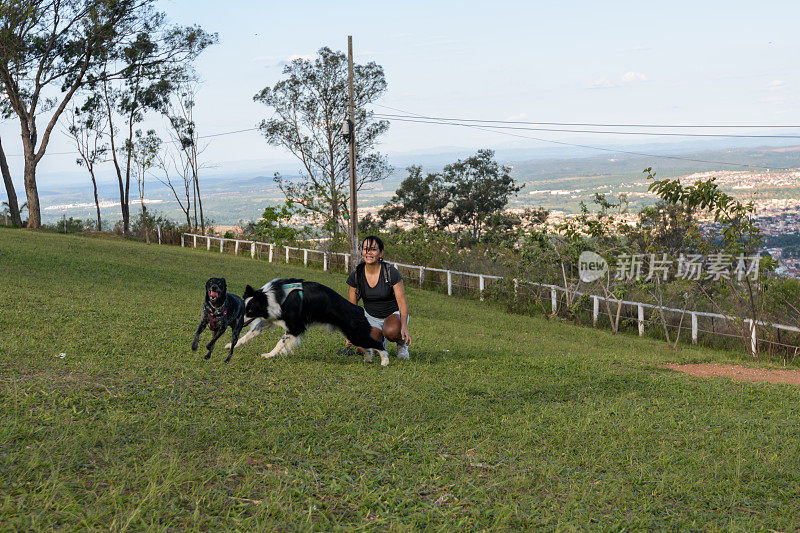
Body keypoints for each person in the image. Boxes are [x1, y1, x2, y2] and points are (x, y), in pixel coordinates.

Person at [346, 235, 412, 359]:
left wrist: (404, 327)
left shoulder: (391, 272)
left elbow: (402, 302)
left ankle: (402, 344)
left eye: (373, 249)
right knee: (362, 347)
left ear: (380, 253)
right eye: (366, 249)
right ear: (362, 252)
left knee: (392, 331)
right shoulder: (356, 275)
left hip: (393, 315)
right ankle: (380, 340)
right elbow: (352, 307)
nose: (369, 252)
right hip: (371, 318)